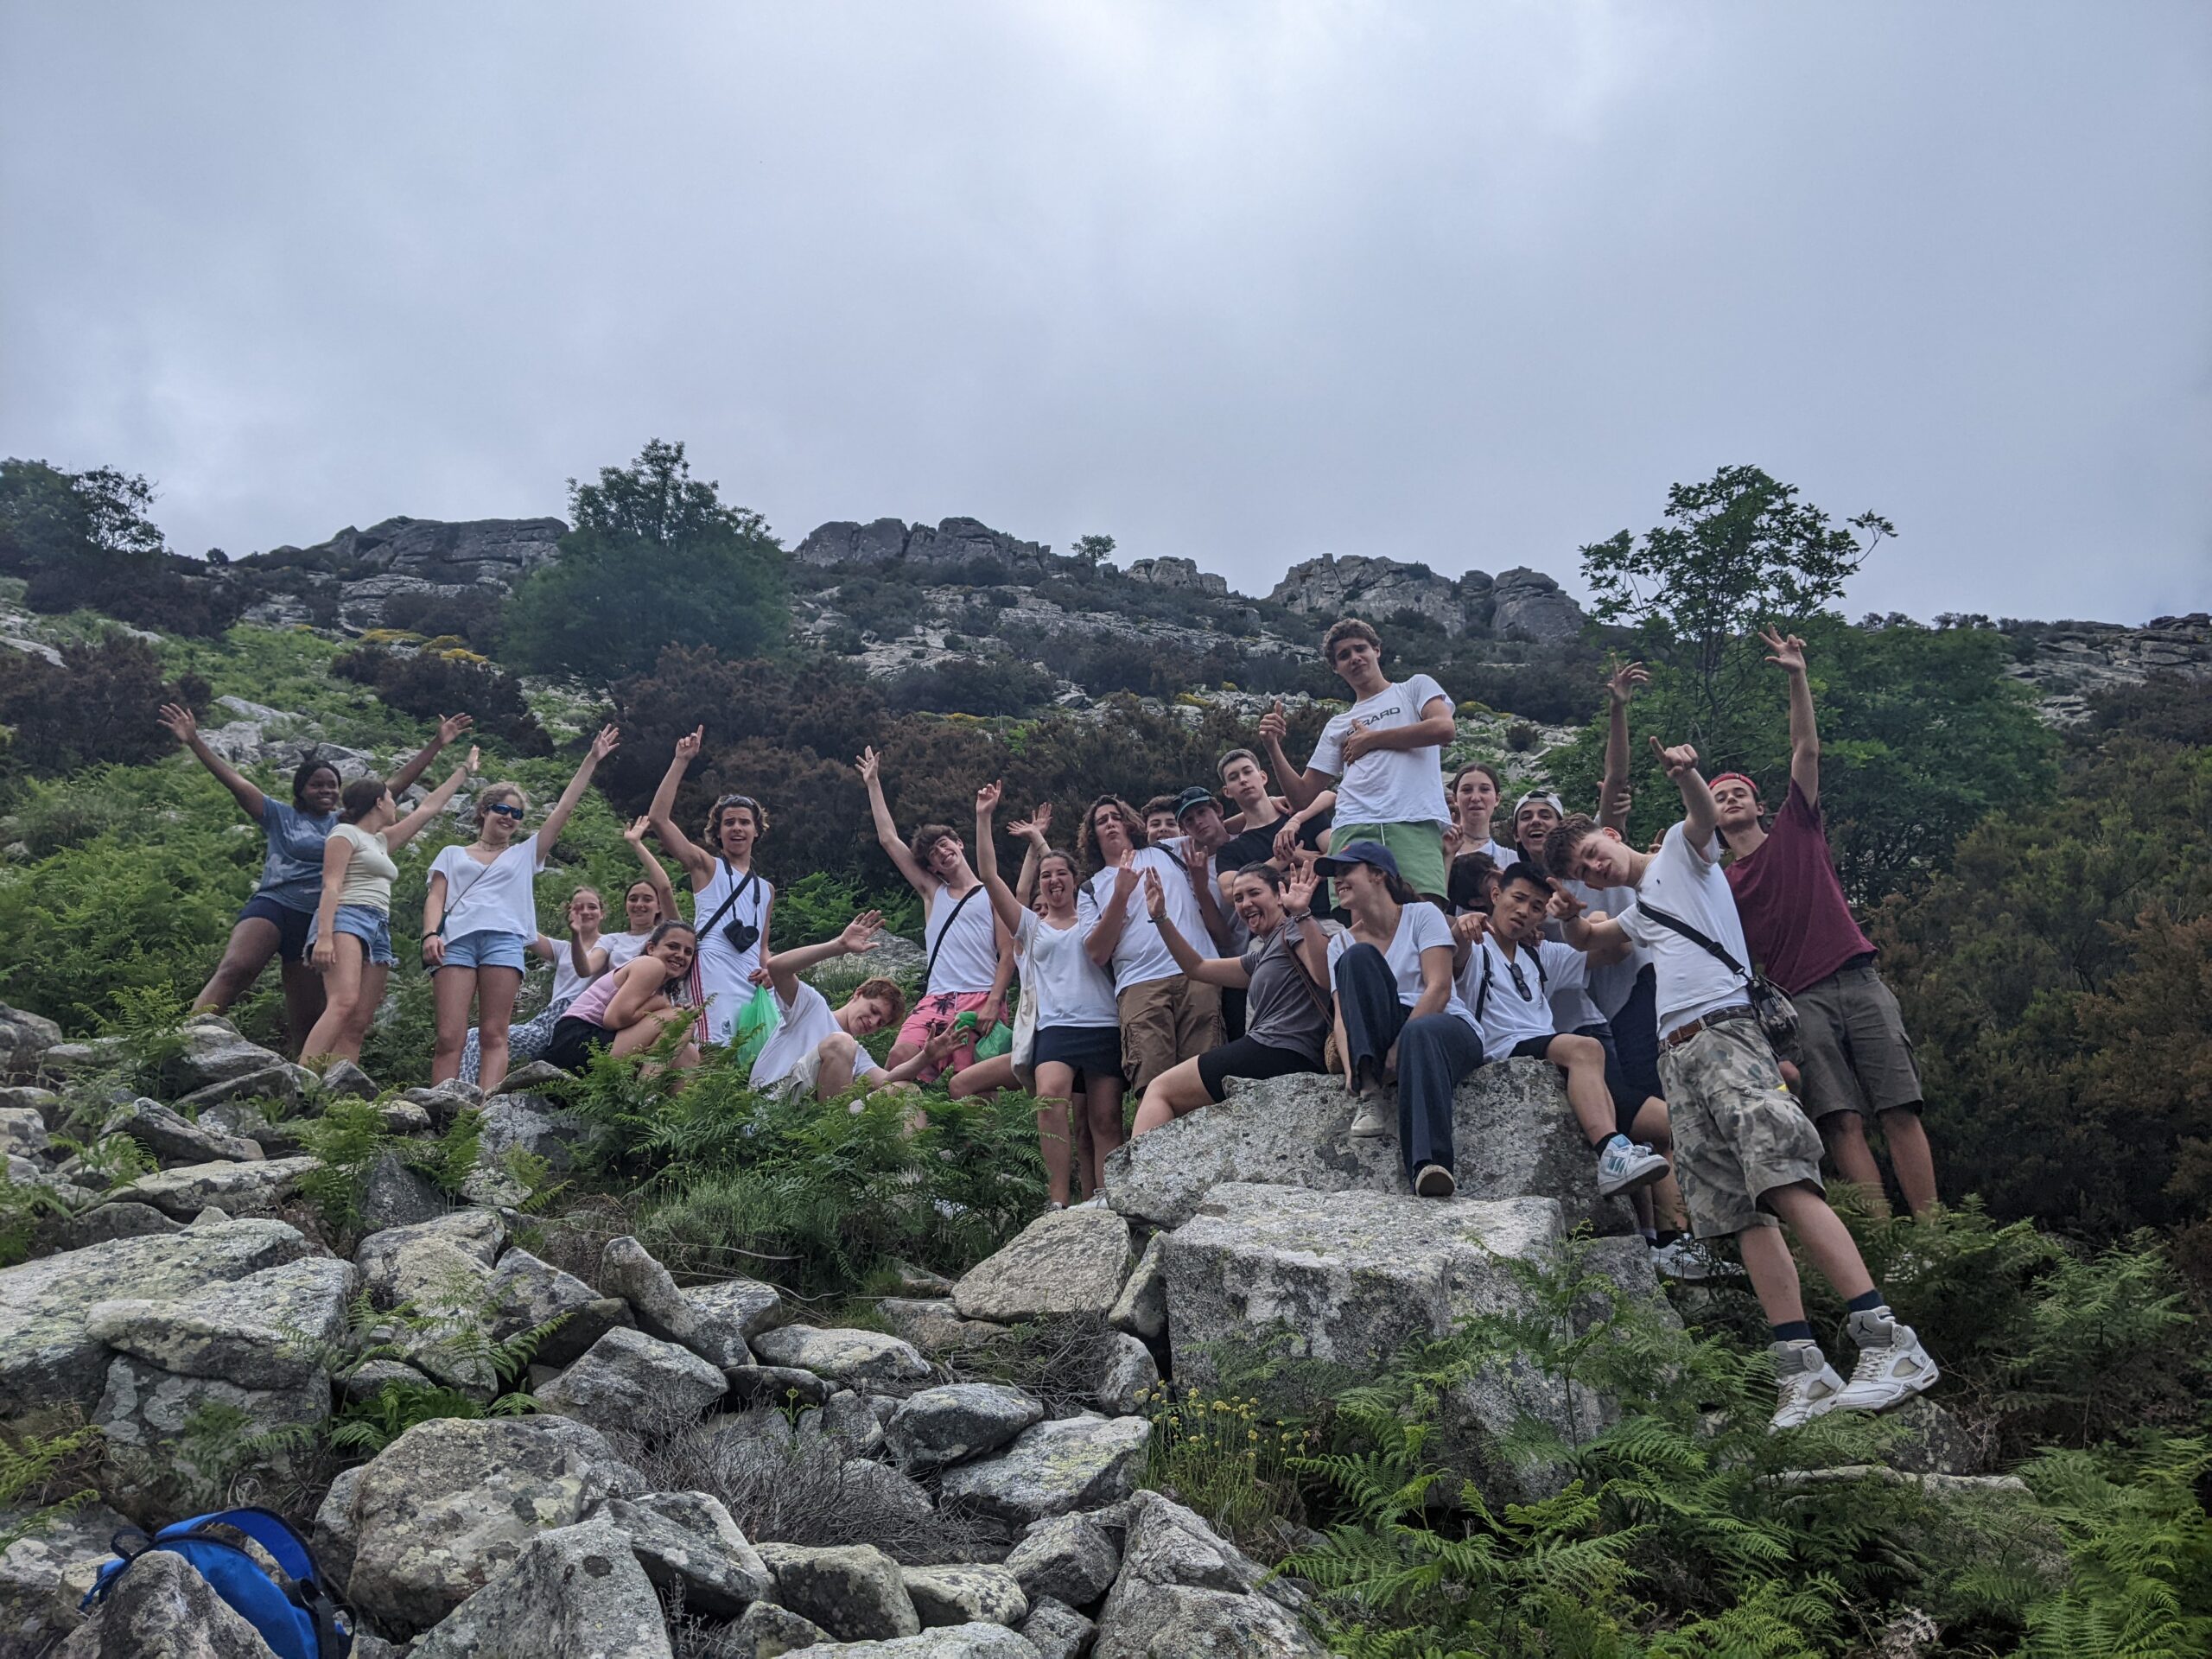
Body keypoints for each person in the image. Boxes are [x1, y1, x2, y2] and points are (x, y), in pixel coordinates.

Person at [1548, 739, 1940, 1430]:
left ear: (1611, 835)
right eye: (1583, 869)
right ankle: (1803, 1367)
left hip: (1727, 1037)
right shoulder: (1637, 911)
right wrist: (1572, 915)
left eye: (1593, 853)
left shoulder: (1678, 850)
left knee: (1785, 1180)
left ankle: (1888, 1340)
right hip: (1681, 1059)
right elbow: (1593, 940)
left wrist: (1689, 775)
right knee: (1738, 1214)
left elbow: (1701, 820)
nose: (1594, 866)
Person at [1716, 629, 1941, 1219]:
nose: (1732, 799)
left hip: (1858, 978)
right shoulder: (1722, 886)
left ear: (1761, 805)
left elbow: (1805, 751)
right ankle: (1886, 1238)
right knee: (1839, 1119)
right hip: (1800, 1002)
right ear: (1709, 817)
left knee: (1899, 1105)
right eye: (1720, 797)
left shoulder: (1799, 827)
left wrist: (1797, 675)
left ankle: (1936, 1232)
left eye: (1741, 792)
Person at [157, 703, 473, 1049]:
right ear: (301, 790)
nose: (326, 791)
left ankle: (301, 1083)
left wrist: (436, 744)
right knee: (237, 969)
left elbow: (389, 788)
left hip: (319, 921)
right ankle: (181, 1040)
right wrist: (194, 741)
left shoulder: (347, 825)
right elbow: (236, 782)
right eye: (316, 785)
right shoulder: (279, 815)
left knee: (308, 1016)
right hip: (274, 905)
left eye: (332, 785)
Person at [1451, 862, 1675, 1205]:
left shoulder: (1540, 954)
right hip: (1502, 1049)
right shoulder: (1474, 943)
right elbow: (1453, 955)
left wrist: (1578, 920)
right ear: (1495, 895)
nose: (1525, 911)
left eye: (1537, 907)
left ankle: (1670, 1242)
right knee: (1586, 1047)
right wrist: (1459, 927)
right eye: (1518, 898)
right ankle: (1611, 1151)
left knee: (1671, 1125)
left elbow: (1617, 950)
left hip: (1556, 1058)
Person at [425, 726, 619, 1095]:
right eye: (502, 809)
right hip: (456, 942)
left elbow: (563, 809)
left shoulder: (525, 853)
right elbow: (436, 897)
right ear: (484, 811)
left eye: (516, 813)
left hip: (504, 942)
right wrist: (431, 933)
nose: (509, 817)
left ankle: (485, 1107)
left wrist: (591, 760)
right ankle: (438, 1104)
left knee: (494, 1033)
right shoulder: (452, 854)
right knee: (450, 1035)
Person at [973, 790, 1124, 1205]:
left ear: (1074, 880)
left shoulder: (1094, 915)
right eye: (1046, 875)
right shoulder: (1030, 926)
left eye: (1061, 873)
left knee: (1105, 1119)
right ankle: (1057, 1200)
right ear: (1039, 884)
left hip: (1103, 1024)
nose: (1054, 880)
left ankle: (1108, 1199)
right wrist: (984, 817)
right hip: (1054, 1027)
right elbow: (989, 876)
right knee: (1049, 1102)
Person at [1321, 841, 1486, 1196]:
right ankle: (1371, 1094)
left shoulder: (1421, 915)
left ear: (1378, 874)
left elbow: (1440, 987)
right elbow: (1342, 1018)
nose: (1338, 880)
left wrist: (1399, 1045)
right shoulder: (1340, 944)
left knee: (1421, 1032)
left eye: (1347, 870)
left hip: (1442, 1026)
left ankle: (1430, 1166)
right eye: (1336, 874)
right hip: (1383, 1033)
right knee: (1357, 958)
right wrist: (1354, 1072)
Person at [462, 817, 678, 1084]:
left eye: (647, 899)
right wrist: (496, 896)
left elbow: (666, 889)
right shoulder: (611, 941)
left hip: (610, 1017)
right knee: (483, 1040)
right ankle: (469, 1099)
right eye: (633, 898)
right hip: (581, 1016)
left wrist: (636, 844)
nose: (639, 904)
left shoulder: (664, 940)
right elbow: (583, 965)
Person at [1257, 617, 1455, 903]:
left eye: (1360, 648)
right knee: (1361, 928)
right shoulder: (1339, 724)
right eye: (1343, 656)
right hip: (1353, 825)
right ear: (1336, 668)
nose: (1354, 658)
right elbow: (1302, 796)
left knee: (1424, 914)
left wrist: (1373, 739)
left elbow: (1444, 728)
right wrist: (1272, 746)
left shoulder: (1414, 688)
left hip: (1413, 819)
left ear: (1377, 650)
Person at [299, 747, 478, 1065]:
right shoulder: (343, 833)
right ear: (379, 802)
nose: (395, 805)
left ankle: (338, 1091)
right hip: (346, 917)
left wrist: (465, 768)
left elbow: (428, 808)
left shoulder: (380, 842)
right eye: (391, 799)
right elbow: (331, 885)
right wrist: (324, 936)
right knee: (343, 1002)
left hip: (378, 925)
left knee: (358, 1021)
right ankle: (302, 1076)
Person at [1131, 861, 1338, 1135]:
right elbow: (1197, 968)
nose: (1245, 904)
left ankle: (1137, 1178)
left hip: (1278, 1048)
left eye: (1254, 893)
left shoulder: (1296, 930)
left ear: (1279, 894)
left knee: (1160, 1090)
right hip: (1275, 1050)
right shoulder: (1263, 954)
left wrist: (1302, 914)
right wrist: (1160, 918)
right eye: (1238, 898)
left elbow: (1325, 977)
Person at [857, 745, 1007, 1083]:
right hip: (937, 997)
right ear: (932, 868)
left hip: (980, 995)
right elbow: (888, 840)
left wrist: (994, 1002)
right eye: (933, 855)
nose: (941, 853)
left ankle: (972, 1139)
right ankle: (907, 1132)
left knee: (971, 1087)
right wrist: (873, 784)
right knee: (900, 1059)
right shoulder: (933, 892)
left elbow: (1009, 952)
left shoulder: (993, 892)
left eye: (944, 844)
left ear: (959, 844)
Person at [1079, 795, 1227, 1097]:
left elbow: (1214, 831)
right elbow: (1096, 953)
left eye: (1115, 816)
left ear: (1128, 822)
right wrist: (1120, 895)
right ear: (1092, 834)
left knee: (1205, 1079)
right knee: (1151, 1084)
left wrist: (1276, 803)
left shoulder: (1167, 851)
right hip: (1140, 986)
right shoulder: (1091, 887)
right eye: (1101, 821)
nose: (1110, 823)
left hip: (1198, 974)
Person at [648, 728, 774, 1051]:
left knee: (749, 1056)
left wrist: (769, 970)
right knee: (711, 1051)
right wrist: (680, 761)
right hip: (712, 971)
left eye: (745, 822)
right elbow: (659, 819)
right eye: (729, 822)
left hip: (751, 981)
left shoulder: (766, 889)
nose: (737, 828)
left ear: (756, 831)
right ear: (717, 832)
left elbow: (763, 947)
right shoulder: (706, 866)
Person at [747, 912, 952, 1100]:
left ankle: (845, 1136)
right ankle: (835, 1135)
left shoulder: (856, 1053)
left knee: (906, 1091)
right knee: (842, 1043)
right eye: (873, 1011)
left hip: (809, 1126)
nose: (873, 1023)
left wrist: (926, 1057)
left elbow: (887, 1080)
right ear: (858, 994)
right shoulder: (811, 1007)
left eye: (881, 1023)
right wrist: (839, 946)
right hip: (771, 1107)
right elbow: (777, 967)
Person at [543, 922, 704, 1075]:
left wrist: (669, 1009)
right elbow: (614, 1019)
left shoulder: (662, 990)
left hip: (597, 1043)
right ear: (651, 948)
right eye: (673, 946)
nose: (680, 955)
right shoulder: (651, 965)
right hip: (578, 1040)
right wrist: (660, 1005)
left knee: (689, 1054)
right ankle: (643, 1095)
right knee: (680, 1019)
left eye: (688, 952)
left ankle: (670, 1102)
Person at [1443, 763, 1516, 867]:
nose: (1475, 798)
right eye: (1467, 790)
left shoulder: (1511, 860)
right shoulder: (1438, 852)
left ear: (1497, 799)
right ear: (1455, 799)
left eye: (1485, 789)